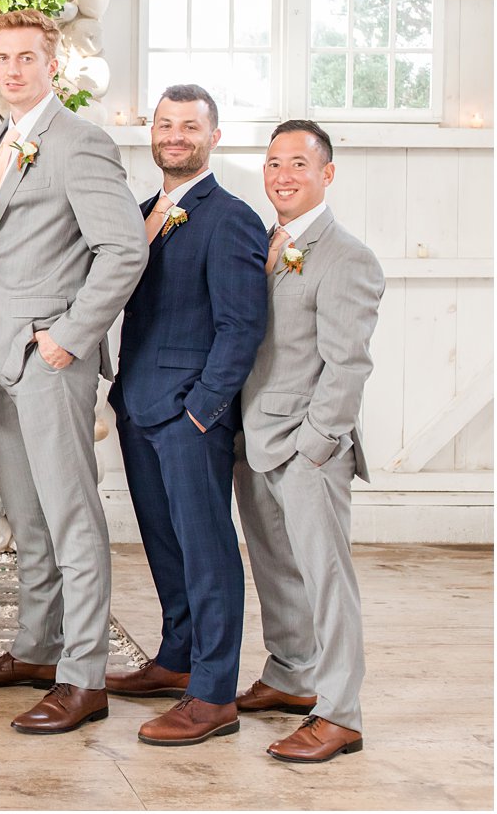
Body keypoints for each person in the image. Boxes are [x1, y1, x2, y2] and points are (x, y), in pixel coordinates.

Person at [0, 9, 146, 735]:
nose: (12, 69)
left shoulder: (79, 143)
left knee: (72, 517)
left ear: (52, 64)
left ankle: (83, 674)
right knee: (28, 517)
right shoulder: (2, 140)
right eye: (3, 57)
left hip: (47, 358)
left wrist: (68, 336)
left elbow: (124, 249)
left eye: (26, 57)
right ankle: (38, 647)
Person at [106, 84, 268, 745]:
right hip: (137, 405)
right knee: (164, 544)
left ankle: (212, 691)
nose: (175, 135)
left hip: (188, 416)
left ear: (214, 136)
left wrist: (203, 409)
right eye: (166, 124)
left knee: (207, 551)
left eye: (190, 126)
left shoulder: (230, 217)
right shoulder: (142, 212)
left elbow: (241, 325)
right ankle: (177, 656)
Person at [234, 120, 383, 763]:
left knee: (326, 578)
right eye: (272, 163)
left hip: (307, 446)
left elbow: (347, 363)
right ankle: (292, 675)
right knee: (274, 567)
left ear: (326, 173)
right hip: (254, 436)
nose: (283, 175)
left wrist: (317, 444)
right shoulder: (264, 241)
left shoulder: (346, 256)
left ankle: (339, 712)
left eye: (298, 163)